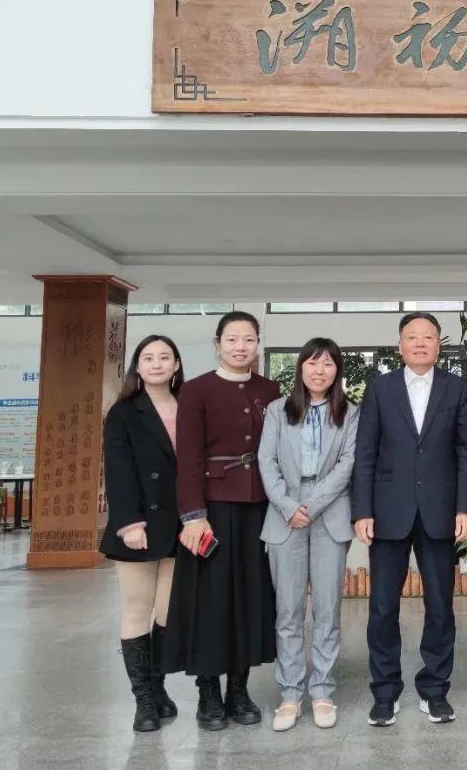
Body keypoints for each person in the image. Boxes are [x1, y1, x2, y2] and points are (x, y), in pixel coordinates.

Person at [351, 312, 467, 727]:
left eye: (428, 337)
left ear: (439, 345)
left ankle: (435, 690)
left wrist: (465, 508)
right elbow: (365, 452)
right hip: (388, 511)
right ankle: (384, 692)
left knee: (440, 606)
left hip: (441, 510)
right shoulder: (380, 388)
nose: (420, 343)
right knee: (382, 607)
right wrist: (362, 510)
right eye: (412, 337)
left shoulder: (457, 389)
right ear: (400, 345)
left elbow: (466, 452)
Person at [163, 311, 282, 731]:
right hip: (211, 510)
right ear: (217, 344)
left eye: (248, 339)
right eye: (232, 339)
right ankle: (209, 692)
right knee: (211, 601)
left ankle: (240, 690)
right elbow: (188, 458)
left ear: (257, 344)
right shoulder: (196, 390)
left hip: (258, 506)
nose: (240, 347)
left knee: (250, 597)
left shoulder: (269, 389)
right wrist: (193, 516)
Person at [258, 338, 360, 732]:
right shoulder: (277, 411)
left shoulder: (350, 413)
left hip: (329, 511)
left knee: (327, 609)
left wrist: (312, 504)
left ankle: (321, 690)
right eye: (313, 363)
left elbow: (348, 463)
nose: (320, 371)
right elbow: (266, 461)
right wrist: (288, 506)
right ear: (300, 367)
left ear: (337, 371)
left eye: (328, 364)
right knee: (288, 609)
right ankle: (289, 694)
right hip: (284, 513)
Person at [99, 336, 185, 733]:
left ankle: (158, 685)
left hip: (181, 524)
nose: (156, 363)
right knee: (137, 608)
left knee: (167, 612)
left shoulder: (188, 405)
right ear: (137, 367)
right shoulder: (123, 412)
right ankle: (144, 701)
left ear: (176, 364)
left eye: (164, 357)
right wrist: (130, 523)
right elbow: (118, 472)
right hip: (139, 524)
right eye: (148, 358)